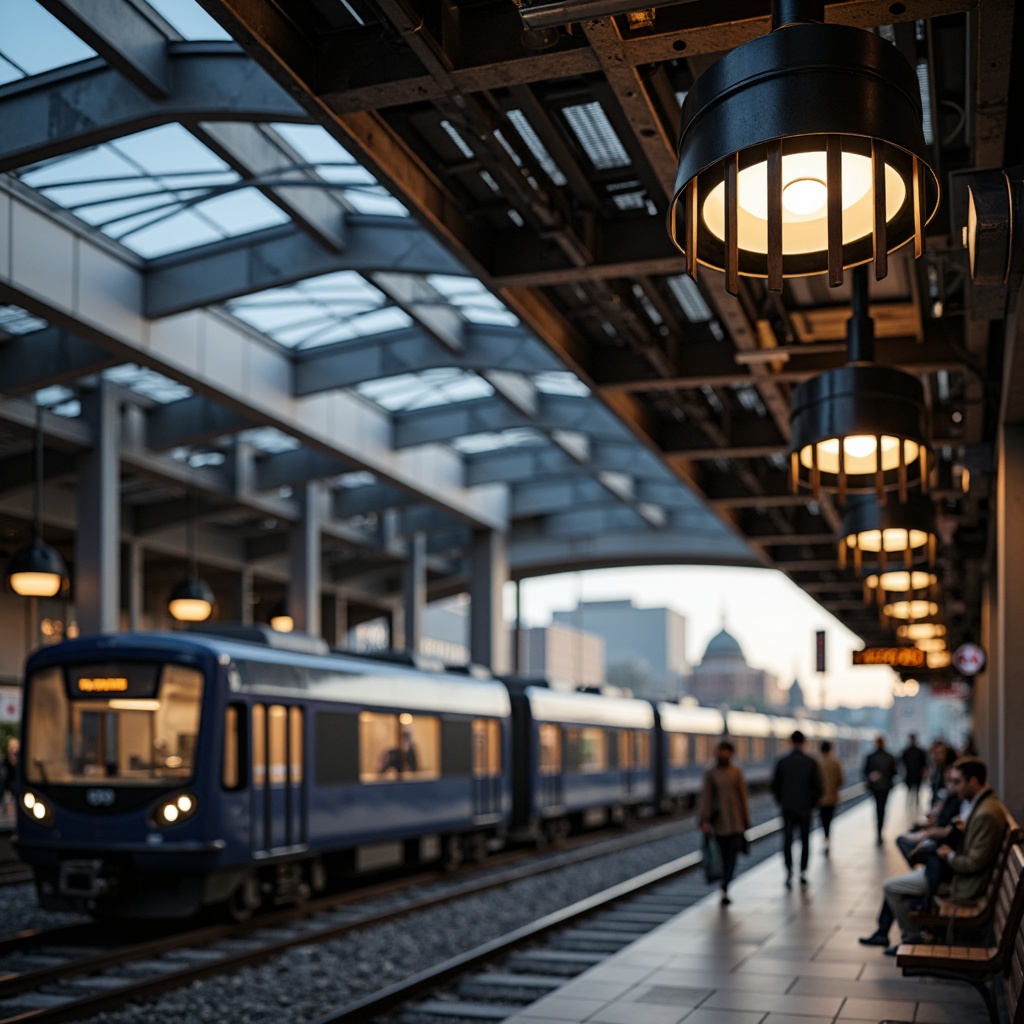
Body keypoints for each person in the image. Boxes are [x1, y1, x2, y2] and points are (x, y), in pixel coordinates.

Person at [859, 757, 1008, 954]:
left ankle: (913, 939)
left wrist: (948, 855)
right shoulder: (983, 805)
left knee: (891, 886)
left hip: (963, 883)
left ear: (972, 782)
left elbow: (973, 862)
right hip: (958, 874)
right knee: (904, 876)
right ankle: (901, 934)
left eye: (958, 782)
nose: (954, 788)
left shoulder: (986, 812)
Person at [699, 739, 752, 905]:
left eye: (727, 751)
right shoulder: (710, 773)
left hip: (735, 822)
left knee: (732, 858)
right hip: (719, 823)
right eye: (722, 751)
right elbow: (706, 797)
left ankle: (725, 886)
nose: (725, 754)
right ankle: (723, 887)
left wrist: (746, 819)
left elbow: (742, 797)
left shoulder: (736, 772)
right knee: (720, 856)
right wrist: (703, 819)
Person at [772, 730, 822, 889]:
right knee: (805, 840)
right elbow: (819, 787)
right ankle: (803, 872)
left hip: (788, 808)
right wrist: (811, 804)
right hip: (805, 809)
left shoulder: (782, 761)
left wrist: (782, 801)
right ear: (804, 742)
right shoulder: (810, 762)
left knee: (787, 840)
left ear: (790, 741)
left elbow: (774, 785)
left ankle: (788, 871)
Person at [864, 734, 899, 844]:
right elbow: (894, 772)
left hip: (876, 787)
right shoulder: (889, 757)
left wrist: (872, 776)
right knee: (882, 809)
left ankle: (879, 831)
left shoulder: (871, 757)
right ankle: (880, 830)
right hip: (885, 787)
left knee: (878, 809)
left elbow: (865, 771)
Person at [817, 740, 844, 855]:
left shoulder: (817, 763)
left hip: (820, 798)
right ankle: (828, 839)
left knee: (822, 820)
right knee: (829, 820)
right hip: (832, 798)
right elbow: (841, 780)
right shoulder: (836, 762)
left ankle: (825, 839)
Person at [900, 733, 927, 811]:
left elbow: (924, 763)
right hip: (909, 774)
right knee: (909, 792)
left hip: (917, 775)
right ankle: (910, 806)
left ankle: (917, 806)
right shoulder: (906, 751)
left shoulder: (920, 751)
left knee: (917, 792)